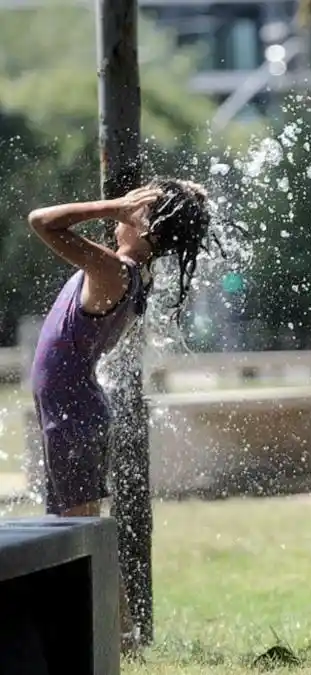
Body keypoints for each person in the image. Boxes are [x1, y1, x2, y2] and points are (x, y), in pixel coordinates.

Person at [27, 177, 214, 649]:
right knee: (81, 530)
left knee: (80, 535)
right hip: (75, 410)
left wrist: (112, 205)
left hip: (73, 413)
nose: (120, 219)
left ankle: (115, 641)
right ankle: (122, 639)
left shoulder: (113, 272)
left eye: (134, 212)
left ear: (147, 228)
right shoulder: (127, 274)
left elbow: (42, 222)